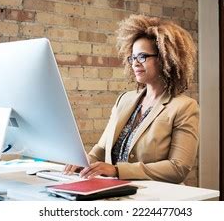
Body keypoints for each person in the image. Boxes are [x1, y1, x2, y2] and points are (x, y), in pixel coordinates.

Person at [65, 14, 199, 184]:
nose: (135, 63)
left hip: (155, 198)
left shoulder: (184, 107)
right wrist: (85, 164)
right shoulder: (124, 99)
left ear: (165, 59)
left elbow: (178, 168)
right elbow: (101, 149)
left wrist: (116, 170)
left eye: (142, 56)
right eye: (133, 57)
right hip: (114, 192)